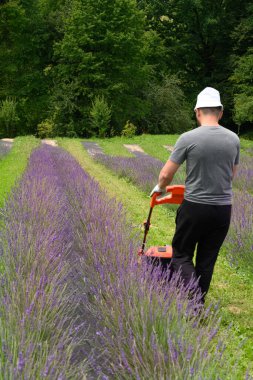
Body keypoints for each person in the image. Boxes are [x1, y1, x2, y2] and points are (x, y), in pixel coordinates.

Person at [150, 87, 240, 302]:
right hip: (222, 210)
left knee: (181, 255)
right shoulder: (234, 139)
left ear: (197, 111)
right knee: (207, 261)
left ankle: (195, 302)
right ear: (220, 112)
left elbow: (165, 174)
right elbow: (230, 177)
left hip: (195, 208)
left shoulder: (188, 138)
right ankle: (196, 305)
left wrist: (160, 188)